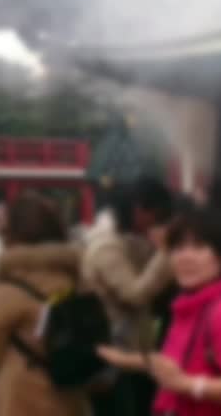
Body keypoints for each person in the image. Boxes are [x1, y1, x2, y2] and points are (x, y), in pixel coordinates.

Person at [97, 207, 221, 416]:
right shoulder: (191, 307)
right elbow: (171, 365)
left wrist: (187, 384)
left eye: (199, 247)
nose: (185, 257)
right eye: (178, 248)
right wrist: (119, 358)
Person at [0, 193, 88, 416]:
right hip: (70, 398)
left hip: (22, 402)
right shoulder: (78, 280)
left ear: (12, 236)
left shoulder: (9, 290)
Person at [83, 177, 176, 415]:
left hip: (133, 348)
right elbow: (135, 294)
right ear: (139, 209)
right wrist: (166, 251)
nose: (156, 222)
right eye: (156, 214)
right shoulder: (106, 245)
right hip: (115, 354)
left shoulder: (127, 238)